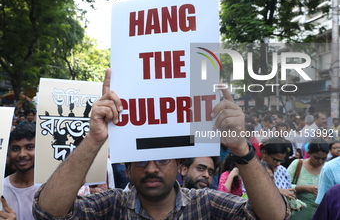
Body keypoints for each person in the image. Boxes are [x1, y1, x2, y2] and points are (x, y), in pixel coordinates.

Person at [32, 69, 289, 220]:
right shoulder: (110, 207)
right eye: (141, 161)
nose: (152, 168)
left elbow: (274, 217)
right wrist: (94, 139)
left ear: (179, 165)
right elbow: (47, 213)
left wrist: (241, 149)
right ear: (127, 170)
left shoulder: (207, 204)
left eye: (163, 159)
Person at [3, 123, 39, 220]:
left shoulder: (52, 187)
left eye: (29, 147)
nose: (22, 154)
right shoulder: (2, 187)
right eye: (15, 149)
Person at [287, 138, 328, 219]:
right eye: (316, 158)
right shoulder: (298, 164)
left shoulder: (328, 168)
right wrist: (305, 188)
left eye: (323, 158)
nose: (320, 161)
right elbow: (283, 187)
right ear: (309, 153)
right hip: (298, 214)